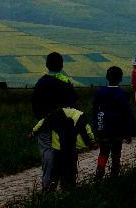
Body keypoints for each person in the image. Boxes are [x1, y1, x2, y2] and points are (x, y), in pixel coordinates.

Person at [31, 52, 78, 192]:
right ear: (62, 65)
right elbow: (73, 102)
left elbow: (35, 104)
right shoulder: (65, 82)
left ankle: (48, 184)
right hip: (63, 126)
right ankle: (67, 184)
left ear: (46, 65)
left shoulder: (41, 82)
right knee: (65, 153)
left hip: (45, 123)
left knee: (47, 152)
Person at [30, 106, 97, 190]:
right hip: (72, 148)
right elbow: (87, 129)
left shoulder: (55, 113)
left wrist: (33, 133)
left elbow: (43, 123)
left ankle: (51, 187)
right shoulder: (79, 114)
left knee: (56, 168)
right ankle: (69, 186)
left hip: (58, 147)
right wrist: (92, 141)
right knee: (71, 167)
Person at [92, 66, 136, 180]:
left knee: (103, 152)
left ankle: (99, 171)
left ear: (107, 77)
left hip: (103, 128)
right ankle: (114, 175)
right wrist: (128, 132)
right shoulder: (123, 94)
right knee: (116, 153)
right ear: (121, 78)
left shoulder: (100, 92)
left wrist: (96, 129)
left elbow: (95, 112)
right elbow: (127, 115)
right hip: (118, 130)